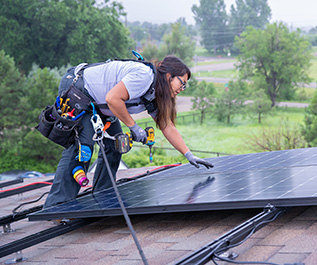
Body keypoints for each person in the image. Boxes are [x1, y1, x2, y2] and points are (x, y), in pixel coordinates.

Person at [44, 55, 213, 208]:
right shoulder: (145, 76)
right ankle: (58, 205)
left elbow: (167, 126)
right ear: (169, 76)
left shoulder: (155, 94)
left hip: (99, 106)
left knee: (115, 145)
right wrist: (134, 127)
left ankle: (103, 193)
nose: (182, 88)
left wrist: (188, 154)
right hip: (78, 90)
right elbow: (113, 98)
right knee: (83, 148)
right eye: (181, 83)